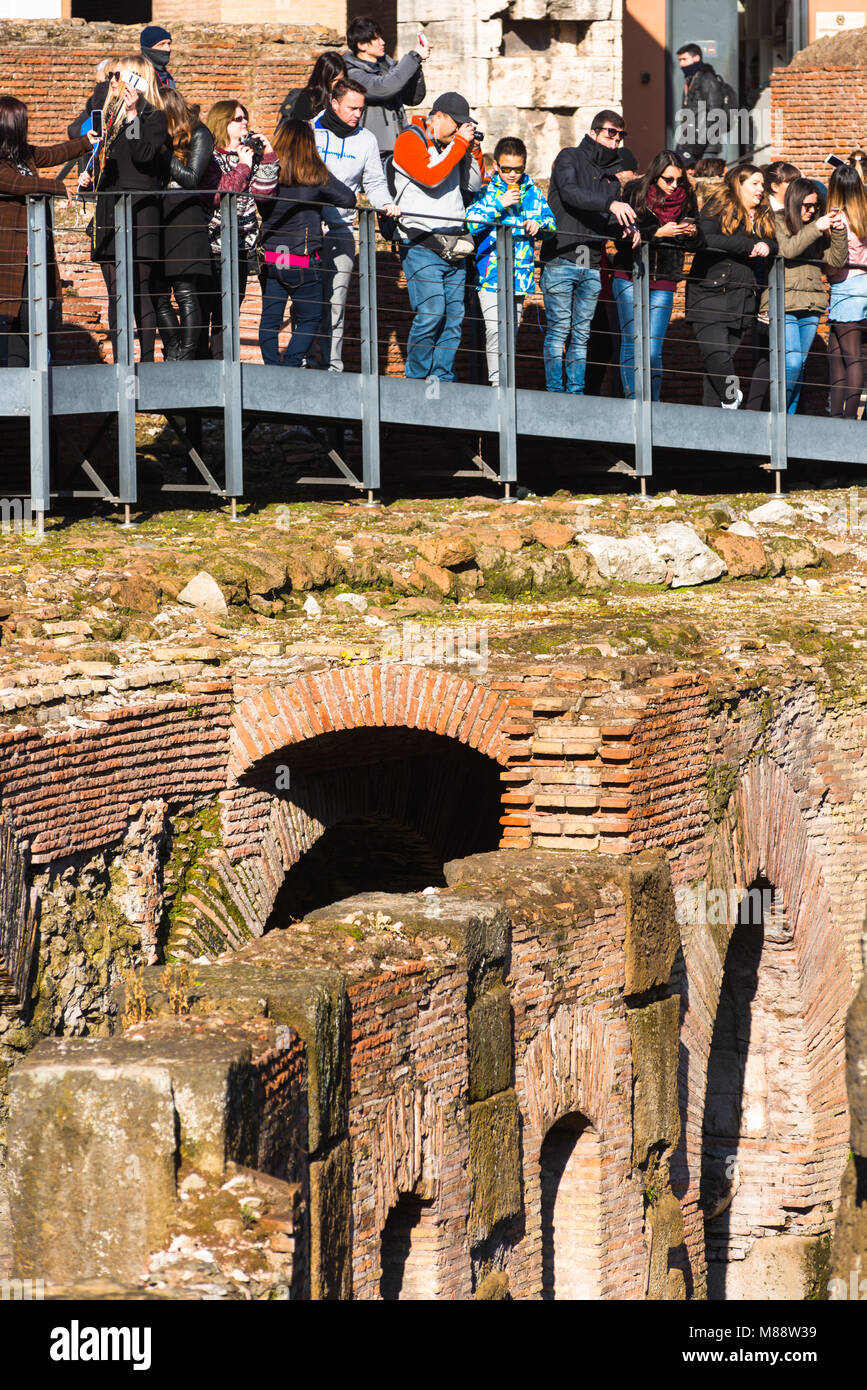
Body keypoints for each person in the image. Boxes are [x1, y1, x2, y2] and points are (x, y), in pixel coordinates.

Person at [79, 56, 169, 364]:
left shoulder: (154, 117)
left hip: (139, 213)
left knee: (140, 290)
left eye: (118, 75)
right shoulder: (108, 118)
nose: (112, 80)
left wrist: (132, 115)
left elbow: (143, 155)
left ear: (138, 79)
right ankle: (120, 364)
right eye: (111, 75)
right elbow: (108, 166)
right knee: (116, 293)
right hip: (109, 211)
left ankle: (145, 363)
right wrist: (89, 174)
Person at [540, 109, 637, 395]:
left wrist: (627, 229)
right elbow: (570, 192)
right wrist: (610, 205)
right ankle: (555, 393)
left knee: (582, 335)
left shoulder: (610, 177)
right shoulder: (569, 157)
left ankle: (576, 394)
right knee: (559, 332)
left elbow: (607, 221)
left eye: (621, 135)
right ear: (593, 132)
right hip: (562, 258)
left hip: (591, 264)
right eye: (611, 132)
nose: (616, 140)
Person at [391, 91, 483, 383]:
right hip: (421, 244)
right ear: (439, 117)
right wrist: (458, 144)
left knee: (454, 319)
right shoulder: (410, 139)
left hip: (455, 245)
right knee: (431, 313)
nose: (459, 132)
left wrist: (472, 152)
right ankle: (416, 378)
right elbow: (431, 177)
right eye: (456, 125)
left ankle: (442, 378)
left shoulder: (453, 146)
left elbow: (474, 184)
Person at [312, 77, 399, 372]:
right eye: (351, 108)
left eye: (360, 109)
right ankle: (303, 365)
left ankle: (331, 369)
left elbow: (373, 181)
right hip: (307, 227)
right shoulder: (310, 131)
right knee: (306, 302)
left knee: (336, 304)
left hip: (341, 230)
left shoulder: (366, 139)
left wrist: (384, 203)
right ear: (333, 103)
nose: (356, 115)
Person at [253, 119, 355, 367]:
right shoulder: (315, 175)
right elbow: (348, 199)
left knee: (270, 319)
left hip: (272, 259)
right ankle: (291, 364)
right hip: (303, 260)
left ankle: (271, 368)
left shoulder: (269, 173)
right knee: (310, 318)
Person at [0, 96, 93, 366]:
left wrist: (87, 141)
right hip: (10, 256)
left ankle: (27, 394)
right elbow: (16, 185)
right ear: (11, 126)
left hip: (34, 254)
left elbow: (54, 153)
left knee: (29, 318)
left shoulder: (22, 155)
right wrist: (57, 187)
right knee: (18, 317)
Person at [746, 179, 847, 414]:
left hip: (811, 304)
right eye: (807, 206)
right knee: (790, 364)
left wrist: (839, 233)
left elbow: (835, 262)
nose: (811, 211)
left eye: (815, 207)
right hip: (783, 302)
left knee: (799, 365)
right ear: (794, 202)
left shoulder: (817, 227)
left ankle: (788, 420)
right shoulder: (777, 221)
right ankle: (777, 414)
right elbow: (787, 250)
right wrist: (816, 228)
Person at [608, 149, 701, 400]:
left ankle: (653, 404)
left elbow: (697, 241)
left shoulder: (687, 196)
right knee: (632, 342)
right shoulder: (635, 191)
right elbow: (621, 237)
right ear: (655, 176)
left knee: (652, 349)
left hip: (665, 278)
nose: (673, 185)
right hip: (630, 274)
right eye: (667, 179)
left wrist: (691, 233)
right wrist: (657, 233)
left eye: (678, 180)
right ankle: (633, 402)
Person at [465, 136, 555, 386]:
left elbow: (551, 223)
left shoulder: (534, 192)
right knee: (495, 329)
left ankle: (507, 384)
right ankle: (498, 386)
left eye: (518, 169)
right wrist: (499, 204)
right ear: (496, 166)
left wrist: (539, 224)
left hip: (519, 275)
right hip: (490, 274)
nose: (512, 175)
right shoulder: (484, 192)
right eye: (506, 169)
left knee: (509, 333)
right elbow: (469, 221)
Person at [686, 164, 776, 408]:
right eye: (755, 183)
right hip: (709, 293)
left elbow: (775, 242)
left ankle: (715, 432)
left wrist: (768, 245)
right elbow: (706, 239)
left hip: (744, 300)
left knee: (715, 366)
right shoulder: (719, 206)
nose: (761, 188)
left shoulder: (764, 213)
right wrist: (748, 246)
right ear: (739, 184)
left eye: (762, 184)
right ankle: (731, 395)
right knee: (718, 356)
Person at [200, 100, 278, 358]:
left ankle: (224, 374)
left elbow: (265, 195)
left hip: (242, 247)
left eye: (245, 117)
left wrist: (267, 154)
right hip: (212, 247)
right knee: (204, 312)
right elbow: (217, 196)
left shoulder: (250, 155)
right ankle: (198, 373)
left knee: (228, 315)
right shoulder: (210, 156)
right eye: (238, 119)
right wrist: (242, 166)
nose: (245, 122)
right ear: (223, 123)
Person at [152, 90, 214, 361]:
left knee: (185, 291)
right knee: (158, 292)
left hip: (185, 217)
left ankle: (186, 356)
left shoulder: (199, 133)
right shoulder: (153, 136)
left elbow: (191, 178)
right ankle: (173, 350)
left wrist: (164, 154)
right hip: (156, 217)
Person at [343, 15, 428, 157]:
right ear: (362, 45)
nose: (383, 42)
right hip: (371, 152)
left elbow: (413, 99)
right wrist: (414, 57)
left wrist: (416, 68)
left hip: (397, 148)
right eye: (376, 39)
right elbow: (383, 88)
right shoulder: (352, 74)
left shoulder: (388, 67)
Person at [825, 165, 867, 418]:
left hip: (845, 286)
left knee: (849, 357)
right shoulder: (863, 214)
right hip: (863, 283)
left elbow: (834, 261)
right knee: (837, 354)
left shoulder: (837, 218)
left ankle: (848, 418)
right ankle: (837, 418)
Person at [674, 43, 732, 167]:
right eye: (680, 60)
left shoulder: (707, 79)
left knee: (706, 178)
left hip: (706, 145)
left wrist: (700, 140)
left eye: (684, 59)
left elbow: (715, 112)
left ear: (696, 58)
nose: (681, 64)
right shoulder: (691, 79)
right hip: (691, 141)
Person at [281, 51, 346, 126]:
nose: (338, 84)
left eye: (341, 79)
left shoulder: (347, 96)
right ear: (323, 79)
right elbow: (300, 130)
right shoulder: (308, 98)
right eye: (333, 80)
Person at [140, 25, 176, 93]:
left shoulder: (168, 78)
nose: (168, 49)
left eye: (168, 43)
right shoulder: (139, 75)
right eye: (161, 44)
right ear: (148, 49)